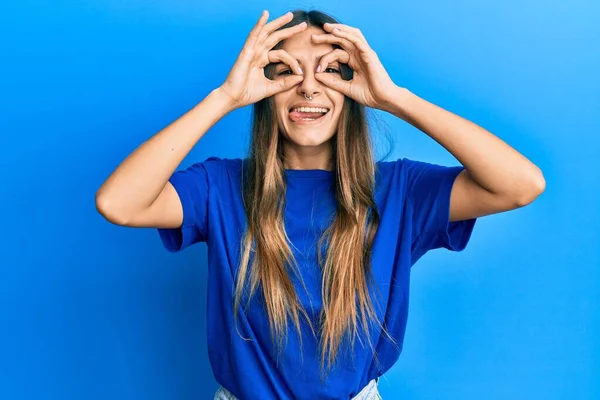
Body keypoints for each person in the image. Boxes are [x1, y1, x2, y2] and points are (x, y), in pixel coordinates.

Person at [95, 9, 545, 400]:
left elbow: (520, 185)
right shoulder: (221, 185)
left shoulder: (400, 189)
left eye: (329, 71)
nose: (308, 88)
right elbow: (120, 203)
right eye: (287, 71)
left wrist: (394, 98)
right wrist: (224, 98)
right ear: (264, 89)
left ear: (353, 86)